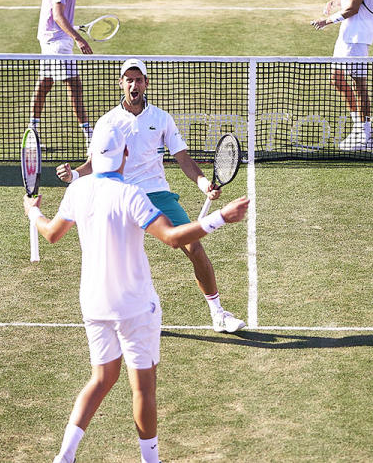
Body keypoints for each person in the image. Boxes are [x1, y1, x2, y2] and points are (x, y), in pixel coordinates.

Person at [25, 122, 250, 463]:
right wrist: (221, 216)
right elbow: (174, 238)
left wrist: (33, 211)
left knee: (101, 379)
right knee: (142, 388)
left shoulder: (78, 191)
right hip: (134, 308)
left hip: (94, 305)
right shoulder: (132, 194)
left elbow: (52, 234)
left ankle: (65, 457)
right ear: (125, 154)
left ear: (93, 156)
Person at [56, 58, 248, 334]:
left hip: (157, 194)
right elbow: (92, 163)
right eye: (129, 79)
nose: (134, 84)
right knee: (114, 259)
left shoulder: (161, 118)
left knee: (194, 247)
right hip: (119, 195)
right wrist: (73, 175)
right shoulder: (107, 122)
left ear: (146, 83)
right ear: (120, 83)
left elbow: (182, 158)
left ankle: (218, 314)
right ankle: (115, 315)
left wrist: (204, 183)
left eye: (139, 79)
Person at [311, 0, 373, 151]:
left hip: (356, 36)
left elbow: (356, 7)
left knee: (359, 85)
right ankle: (358, 128)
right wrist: (337, 1)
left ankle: (366, 137)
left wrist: (327, 20)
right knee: (337, 79)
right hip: (348, 35)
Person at [33, 0, 93, 143]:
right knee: (74, 84)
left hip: (53, 37)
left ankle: (32, 128)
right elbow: (58, 16)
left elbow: (58, 16)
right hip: (57, 41)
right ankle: (88, 134)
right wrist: (79, 39)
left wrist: (72, 28)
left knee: (46, 81)